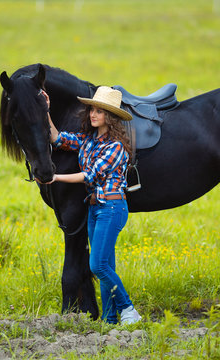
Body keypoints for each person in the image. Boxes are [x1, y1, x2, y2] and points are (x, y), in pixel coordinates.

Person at [39, 86, 141, 325]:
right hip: (95, 209)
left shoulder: (115, 147)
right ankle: (110, 319)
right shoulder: (88, 140)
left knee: (97, 265)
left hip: (112, 209)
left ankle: (128, 309)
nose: (93, 114)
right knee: (107, 264)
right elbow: (58, 138)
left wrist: (55, 178)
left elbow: (89, 176)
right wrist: (46, 110)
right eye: (92, 110)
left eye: (99, 111)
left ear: (110, 117)